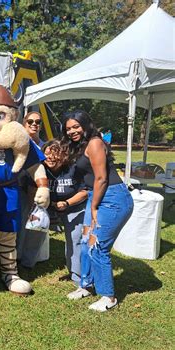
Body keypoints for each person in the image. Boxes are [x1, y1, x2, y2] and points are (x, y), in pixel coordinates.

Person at [62, 110, 133, 312]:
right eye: (68, 128)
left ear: (86, 125)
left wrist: (93, 207)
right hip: (97, 195)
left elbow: (101, 178)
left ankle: (108, 296)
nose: (72, 131)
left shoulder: (94, 142)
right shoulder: (80, 146)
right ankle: (86, 285)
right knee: (86, 242)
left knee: (98, 245)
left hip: (112, 198)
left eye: (76, 126)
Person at [42, 139, 88, 288]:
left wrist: (67, 203)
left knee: (74, 238)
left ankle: (77, 275)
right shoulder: (40, 169)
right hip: (48, 207)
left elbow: (85, 191)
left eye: (55, 155)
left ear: (63, 157)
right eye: (47, 154)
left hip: (74, 207)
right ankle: (27, 265)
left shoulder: (73, 169)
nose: (50, 158)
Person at [17, 111, 48, 268]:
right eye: (30, 121)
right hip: (21, 190)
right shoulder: (18, 143)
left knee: (37, 226)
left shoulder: (45, 146)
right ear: (24, 124)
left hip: (39, 192)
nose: (34, 124)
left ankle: (30, 259)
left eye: (38, 122)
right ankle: (17, 256)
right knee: (22, 225)